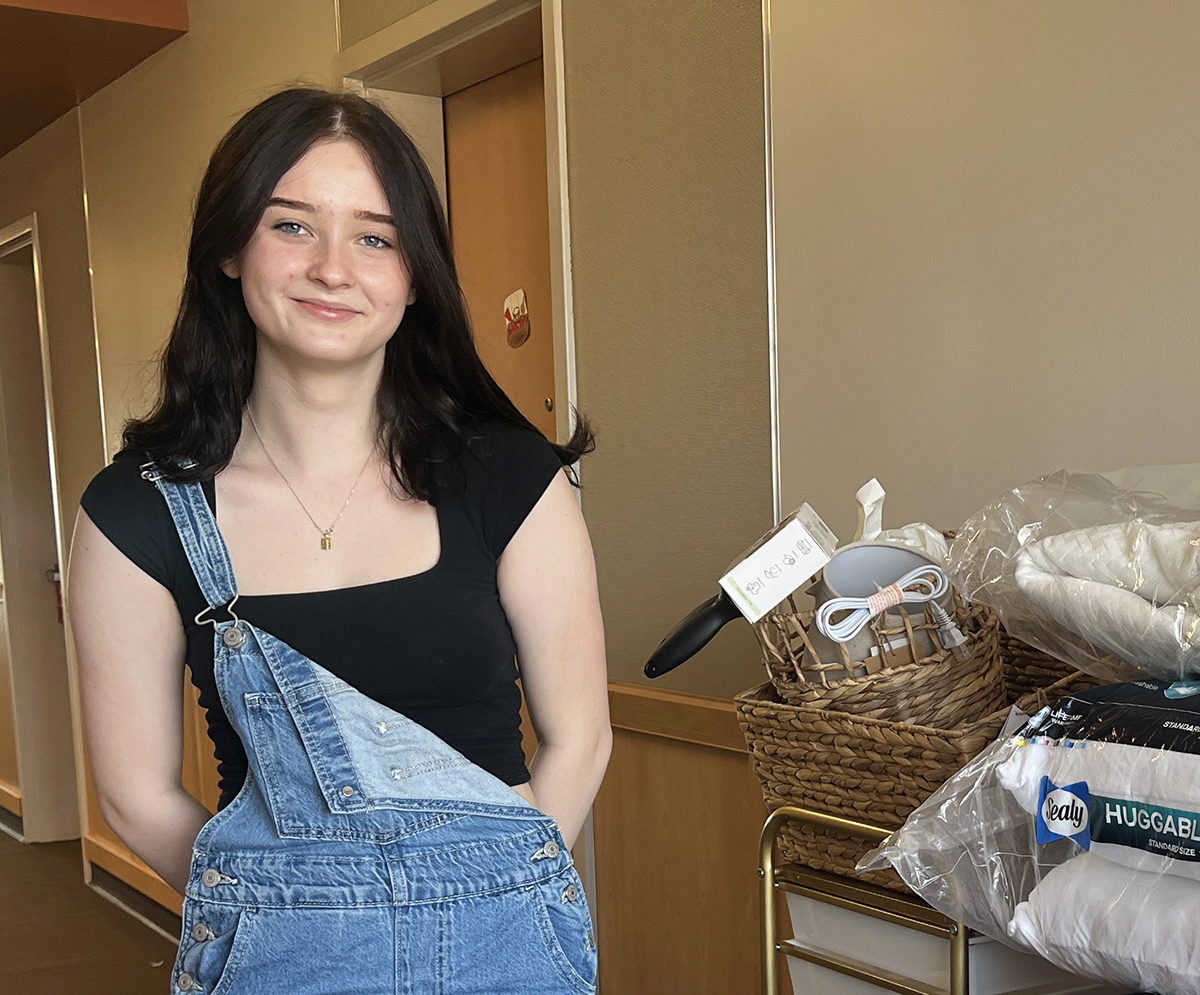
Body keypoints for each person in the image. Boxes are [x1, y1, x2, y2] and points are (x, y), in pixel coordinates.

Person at [68, 86, 611, 994]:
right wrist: (278, 901)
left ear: (413, 273)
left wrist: (491, 888)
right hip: (280, 960)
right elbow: (137, 792)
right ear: (231, 250)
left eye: (374, 236)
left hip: (506, 948)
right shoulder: (135, 514)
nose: (333, 268)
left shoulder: (509, 478)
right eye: (291, 226)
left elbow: (581, 737)